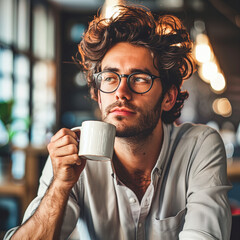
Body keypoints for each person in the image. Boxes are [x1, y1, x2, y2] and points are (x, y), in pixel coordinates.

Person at [4, 5, 231, 240]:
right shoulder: (70, 155)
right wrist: (60, 185)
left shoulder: (198, 146)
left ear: (168, 97)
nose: (121, 92)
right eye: (110, 78)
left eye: (140, 78)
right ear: (98, 95)